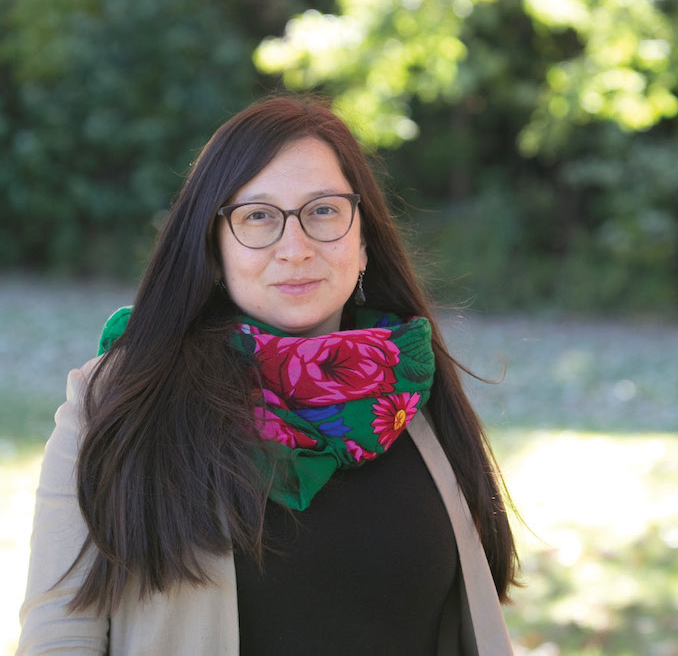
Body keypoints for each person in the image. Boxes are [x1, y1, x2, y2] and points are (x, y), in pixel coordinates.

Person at [17, 95, 518, 655]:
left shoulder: (415, 392)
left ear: (364, 241)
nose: (295, 248)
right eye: (258, 216)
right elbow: (61, 635)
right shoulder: (118, 402)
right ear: (214, 247)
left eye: (323, 210)